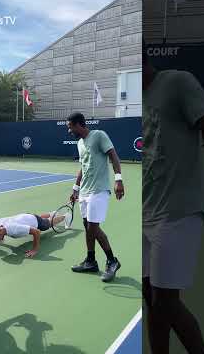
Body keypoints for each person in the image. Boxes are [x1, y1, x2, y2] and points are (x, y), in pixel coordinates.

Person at [142, 40, 204, 354]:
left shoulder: (176, 81)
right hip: (144, 214)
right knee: (151, 300)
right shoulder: (134, 101)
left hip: (178, 210)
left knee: (165, 302)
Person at [66, 112, 125, 283]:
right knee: (87, 225)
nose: (69, 131)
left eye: (70, 127)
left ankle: (112, 261)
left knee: (93, 226)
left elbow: (113, 156)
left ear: (79, 124)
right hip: (84, 191)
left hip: (98, 190)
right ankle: (91, 261)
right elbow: (83, 168)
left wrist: (118, 180)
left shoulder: (99, 135)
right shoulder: (80, 143)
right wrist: (75, 188)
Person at [0, 211, 71, 258]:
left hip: (34, 222)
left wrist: (35, 249)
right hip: (25, 216)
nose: (0, 241)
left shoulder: (14, 229)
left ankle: (65, 216)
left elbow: (37, 232)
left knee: (47, 224)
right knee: (39, 218)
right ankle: (51, 213)